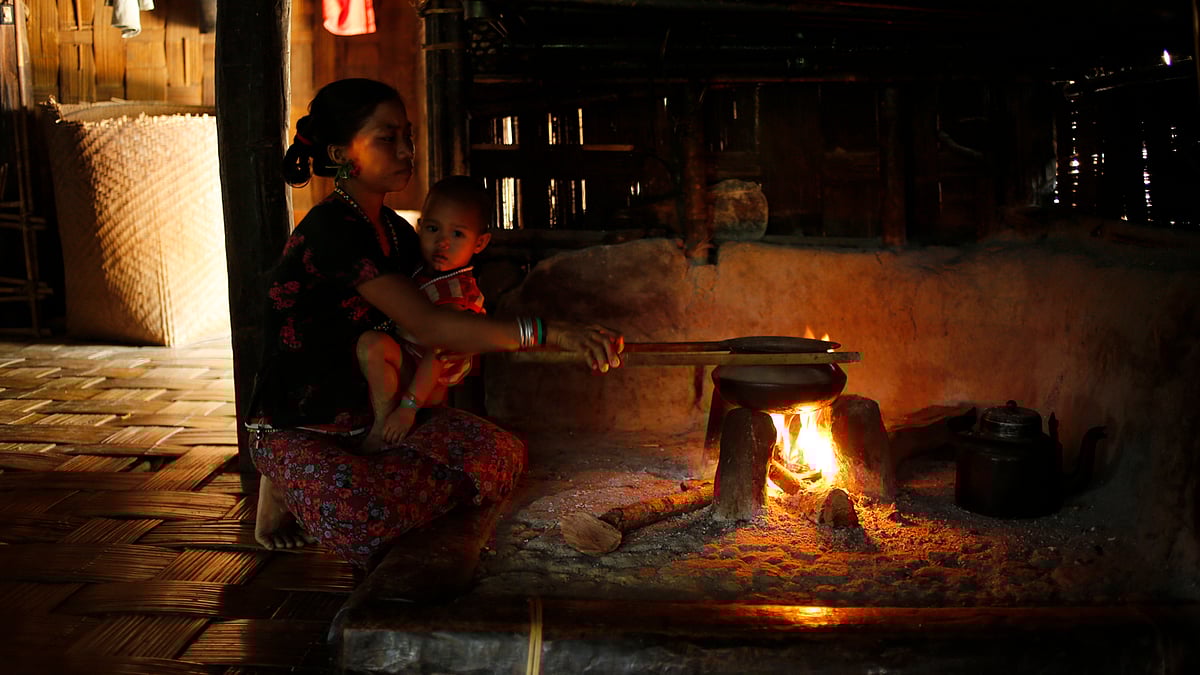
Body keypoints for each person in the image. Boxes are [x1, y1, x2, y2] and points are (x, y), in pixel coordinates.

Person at [248, 78, 623, 569]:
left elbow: (443, 326)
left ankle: (358, 471)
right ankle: (278, 480)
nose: (407, 149)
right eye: (388, 138)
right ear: (344, 153)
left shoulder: (401, 235)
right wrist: (548, 332)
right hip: (303, 424)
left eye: (407, 135)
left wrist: (451, 359)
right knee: (361, 517)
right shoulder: (331, 232)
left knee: (501, 455)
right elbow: (429, 324)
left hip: (372, 422)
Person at [357, 175, 494, 453]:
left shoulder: (456, 293)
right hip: (409, 365)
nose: (442, 243)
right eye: (433, 229)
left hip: (427, 380)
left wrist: (408, 408)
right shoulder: (421, 269)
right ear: (419, 228)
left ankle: (384, 427)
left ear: (479, 243)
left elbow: (438, 356)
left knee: (372, 345)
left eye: (457, 234)